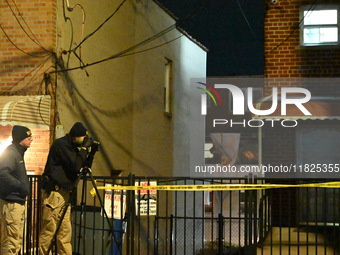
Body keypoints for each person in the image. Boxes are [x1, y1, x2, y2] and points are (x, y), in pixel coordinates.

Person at [39, 122, 91, 255]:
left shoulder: (73, 148)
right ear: (76, 137)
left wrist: (91, 153)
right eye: (83, 138)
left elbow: (82, 167)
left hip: (65, 194)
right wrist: (84, 150)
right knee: (49, 231)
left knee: (65, 233)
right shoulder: (61, 145)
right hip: (54, 194)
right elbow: (75, 165)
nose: (84, 141)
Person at [0, 125, 33, 254]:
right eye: (28, 136)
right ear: (20, 138)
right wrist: (20, 186)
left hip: (16, 203)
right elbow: (2, 173)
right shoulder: (11, 153)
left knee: (15, 241)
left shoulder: (17, 153)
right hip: (12, 204)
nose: (31, 139)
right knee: (11, 243)